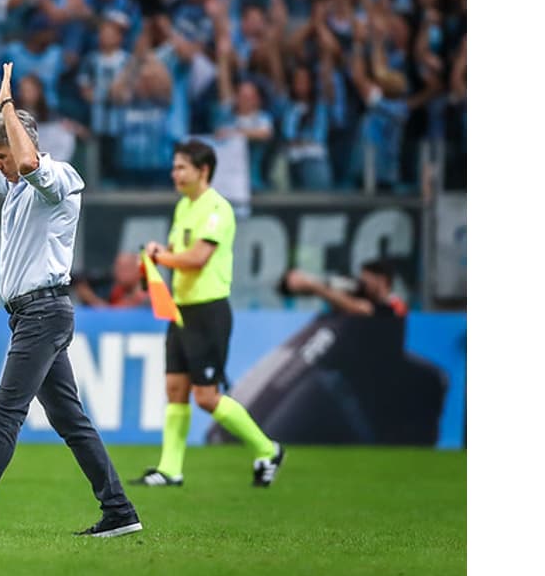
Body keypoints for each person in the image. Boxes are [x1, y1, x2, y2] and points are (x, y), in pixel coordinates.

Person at [0, 60, 142, 539]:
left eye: (1, 156)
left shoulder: (57, 178)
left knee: (6, 412)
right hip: (32, 315)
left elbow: (32, 163)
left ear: (20, 145)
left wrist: (8, 104)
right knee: (70, 419)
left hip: (43, 311)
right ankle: (119, 510)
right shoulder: (15, 184)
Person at [133, 139, 285, 488]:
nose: (175, 173)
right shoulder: (184, 207)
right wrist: (157, 258)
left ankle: (267, 448)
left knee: (206, 397)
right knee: (175, 388)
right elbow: (176, 252)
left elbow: (197, 259)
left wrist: (159, 257)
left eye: (181, 167)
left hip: (208, 310)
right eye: (174, 167)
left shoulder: (217, 209)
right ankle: (170, 470)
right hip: (181, 309)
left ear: (203, 171)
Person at [282, 259, 408, 317]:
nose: (362, 284)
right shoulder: (364, 297)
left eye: (366, 281)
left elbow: (361, 309)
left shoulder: (396, 304)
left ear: (382, 280)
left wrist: (314, 286)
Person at [75, 252, 149, 309]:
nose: (117, 273)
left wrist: (90, 298)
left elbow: (118, 315)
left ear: (138, 270)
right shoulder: (118, 290)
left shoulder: (146, 291)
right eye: (117, 268)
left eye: (124, 269)